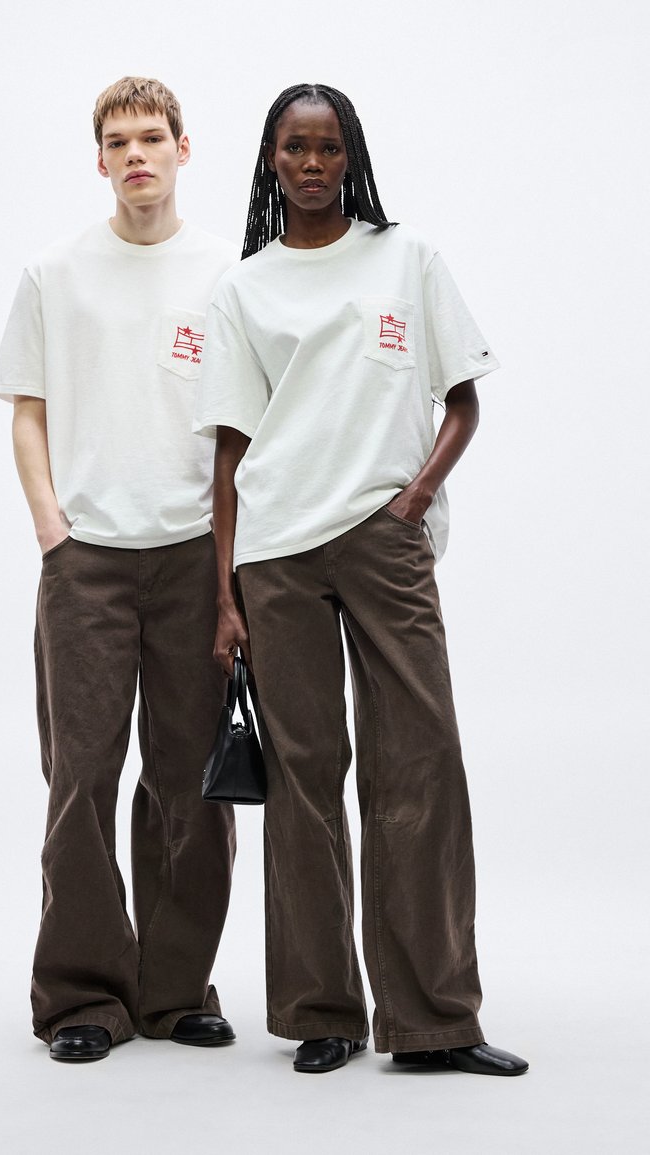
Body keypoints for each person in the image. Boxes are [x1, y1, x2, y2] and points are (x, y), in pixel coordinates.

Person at [195, 83, 528, 1077]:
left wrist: (412, 498)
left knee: (421, 760)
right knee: (305, 775)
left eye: (328, 147)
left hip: (384, 539)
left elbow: (461, 401)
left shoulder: (406, 258)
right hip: (277, 551)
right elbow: (228, 452)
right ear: (269, 159)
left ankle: (434, 1019)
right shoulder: (242, 288)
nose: (311, 164)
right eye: (294, 148)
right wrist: (224, 593)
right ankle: (321, 1012)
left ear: (352, 157)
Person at [0, 76, 237, 1061]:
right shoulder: (55, 273)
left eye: (152, 137)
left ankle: (175, 991)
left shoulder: (225, 272)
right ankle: (83, 997)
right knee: (80, 778)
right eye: (119, 141)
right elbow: (27, 411)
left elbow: (247, 421)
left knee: (190, 780)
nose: (137, 154)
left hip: (192, 556)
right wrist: (53, 528)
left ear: (183, 149)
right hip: (85, 560)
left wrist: (231, 556)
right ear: (99, 160)